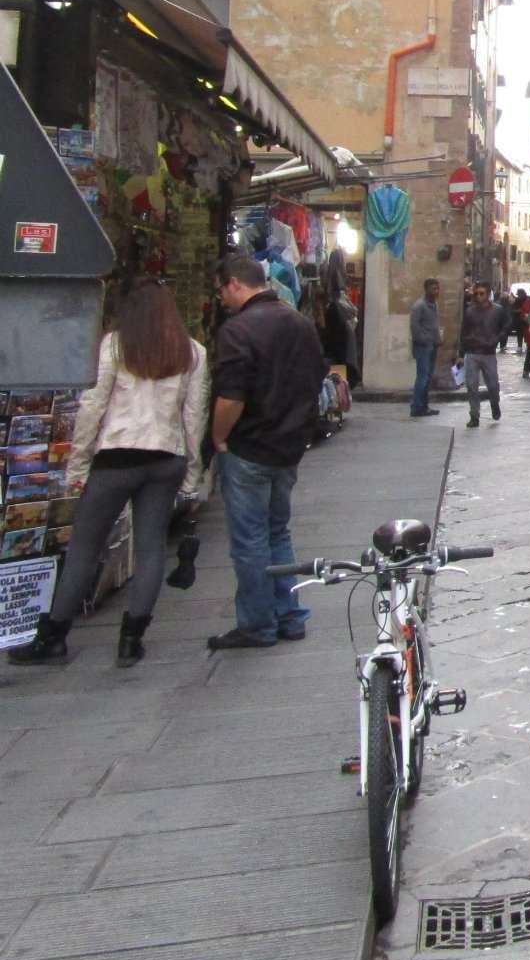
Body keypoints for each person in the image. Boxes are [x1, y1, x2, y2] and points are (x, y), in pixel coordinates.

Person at [8, 283, 209, 668]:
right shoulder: (192, 352)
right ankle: (131, 639)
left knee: (85, 546)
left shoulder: (115, 346)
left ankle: (54, 637)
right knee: (151, 549)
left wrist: (78, 465)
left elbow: (92, 407)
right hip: (165, 457)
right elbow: (194, 416)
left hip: (116, 457)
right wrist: (191, 476)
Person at [207, 253, 326, 651]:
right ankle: (290, 616)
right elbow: (314, 384)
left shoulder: (237, 330)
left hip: (250, 447)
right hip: (288, 446)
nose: (221, 297)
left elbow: (231, 397)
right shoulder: (300, 323)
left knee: (251, 540)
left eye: (221, 289)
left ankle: (258, 623)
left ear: (236, 284)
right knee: (278, 531)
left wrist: (219, 436)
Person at [461, 281, 509, 427]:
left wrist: (497, 339)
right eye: (476, 294)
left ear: (488, 295)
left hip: (488, 353)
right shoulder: (469, 311)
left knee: (493, 385)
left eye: (481, 294)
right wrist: (460, 352)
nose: (478, 296)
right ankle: (474, 415)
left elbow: (506, 325)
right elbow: (463, 332)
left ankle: (495, 404)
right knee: (471, 385)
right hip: (472, 352)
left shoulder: (498, 310)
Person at [408, 277, 443, 418]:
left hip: (432, 345)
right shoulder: (419, 306)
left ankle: (424, 406)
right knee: (422, 377)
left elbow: (434, 325)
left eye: (437, 288)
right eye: (433, 288)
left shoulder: (434, 304)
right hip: (423, 347)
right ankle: (416, 407)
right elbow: (415, 328)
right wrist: (426, 340)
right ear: (426, 289)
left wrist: (437, 339)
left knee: (427, 377)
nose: (436, 291)